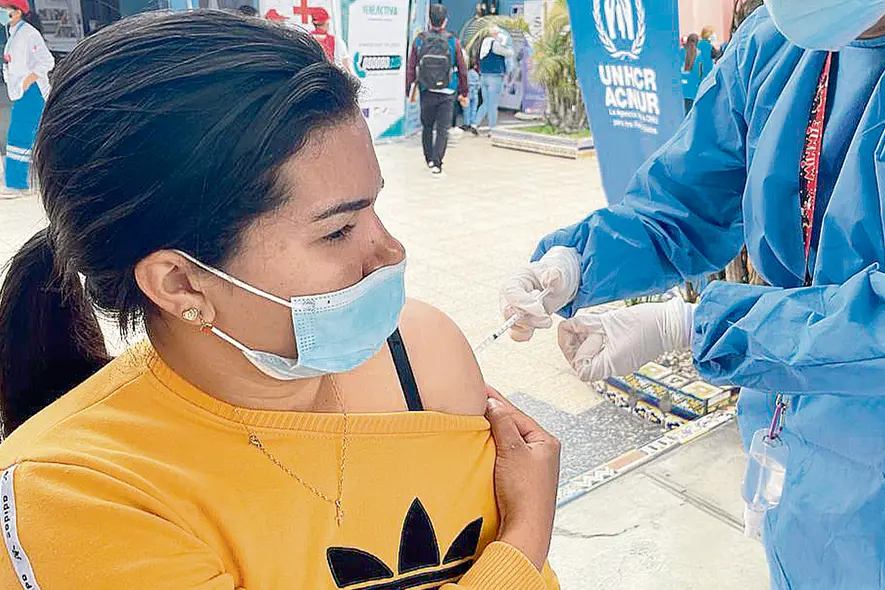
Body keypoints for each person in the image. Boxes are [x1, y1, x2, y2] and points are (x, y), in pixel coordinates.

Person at [0, 11, 561, 589]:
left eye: (374, 205)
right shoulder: (77, 498)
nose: (391, 251)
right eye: (338, 231)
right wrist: (522, 541)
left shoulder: (421, 355)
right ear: (180, 283)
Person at [502, 0, 885, 588]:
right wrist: (579, 262)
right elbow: (684, 202)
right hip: (795, 437)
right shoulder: (775, 45)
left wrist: (694, 328)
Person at [406, 4, 469, 175]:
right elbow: (462, 69)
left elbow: (411, 66)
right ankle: (437, 163)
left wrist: (409, 88)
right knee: (442, 129)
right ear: (445, 21)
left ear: (429, 20)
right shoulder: (452, 41)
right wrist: (464, 92)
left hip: (426, 89)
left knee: (427, 127)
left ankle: (429, 159)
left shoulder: (419, 40)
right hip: (448, 91)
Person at [0, 0, 52, 198]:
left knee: (19, 134)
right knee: (37, 133)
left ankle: (17, 184)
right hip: (22, 91)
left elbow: (47, 61)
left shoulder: (29, 34)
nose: (2, 13)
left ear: (18, 12)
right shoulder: (13, 33)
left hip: (32, 91)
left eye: (5, 9)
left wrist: (26, 82)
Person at [473, 25, 513, 134]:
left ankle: (475, 124)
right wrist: (505, 42)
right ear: (495, 34)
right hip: (494, 77)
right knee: (493, 104)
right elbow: (510, 53)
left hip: (484, 76)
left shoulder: (483, 44)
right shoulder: (495, 45)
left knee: (485, 103)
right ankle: (492, 129)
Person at [310, 7, 350, 72]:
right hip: (330, 78)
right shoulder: (337, 42)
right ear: (327, 22)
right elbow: (346, 67)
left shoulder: (306, 40)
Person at [679, 33, 707, 114]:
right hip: (693, 90)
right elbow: (700, 74)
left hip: (681, 88)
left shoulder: (681, 51)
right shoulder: (699, 54)